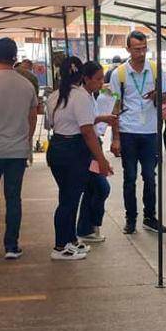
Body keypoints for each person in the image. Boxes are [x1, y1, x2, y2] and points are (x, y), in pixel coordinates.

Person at [0, 39, 40, 259]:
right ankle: (12, 245)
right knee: (14, 197)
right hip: (18, 150)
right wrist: (26, 141)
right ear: (14, 57)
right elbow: (32, 118)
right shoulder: (27, 84)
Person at [45, 57, 114, 260]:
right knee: (69, 199)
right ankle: (60, 247)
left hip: (56, 147)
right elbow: (87, 130)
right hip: (74, 150)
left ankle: (70, 240)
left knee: (67, 197)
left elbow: (53, 123)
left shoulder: (54, 96)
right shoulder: (81, 96)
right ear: (82, 76)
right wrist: (101, 159)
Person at [109, 31, 166, 234]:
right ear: (128, 49)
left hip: (150, 131)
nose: (141, 53)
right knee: (130, 177)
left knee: (150, 177)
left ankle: (150, 216)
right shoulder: (119, 74)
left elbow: (164, 100)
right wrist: (115, 137)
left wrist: (157, 97)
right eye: (137, 49)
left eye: (144, 48)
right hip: (128, 131)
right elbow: (115, 105)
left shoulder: (156, 70)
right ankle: (130, 218)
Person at [78, 71, 119, 245]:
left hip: (94, 144)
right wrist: (101, 158)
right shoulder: (80, 98)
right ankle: (89, 226)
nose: (102, 82)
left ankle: (87, 227)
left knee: (93, 188)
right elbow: (85, 126)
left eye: (103, 78)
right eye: (98, 79)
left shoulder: (91, 96)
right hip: (88, 147)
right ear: (86, 78)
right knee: (101, 187)